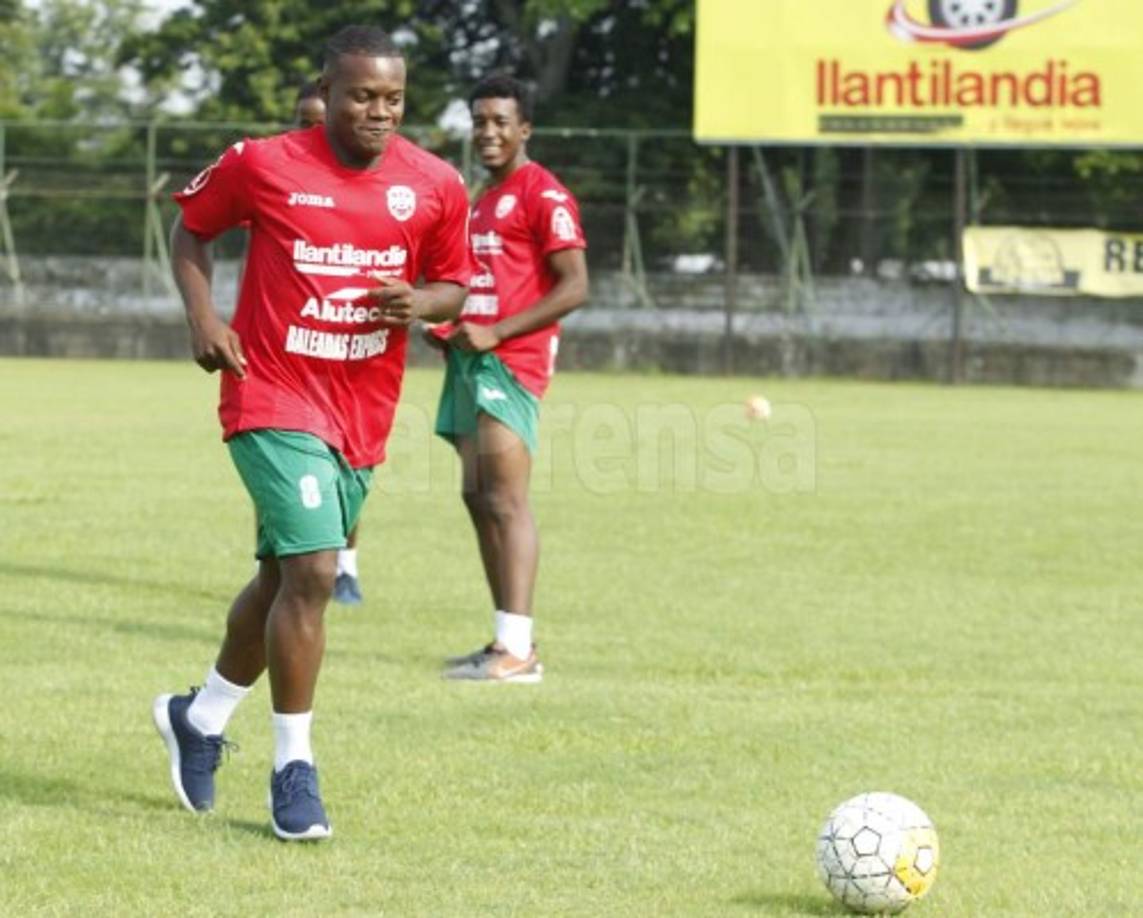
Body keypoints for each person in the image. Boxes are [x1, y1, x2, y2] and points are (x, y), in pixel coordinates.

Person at [153, 24, 472, 841]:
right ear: (326, 94)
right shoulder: (263, 163)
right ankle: (294, 769)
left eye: (392, 99)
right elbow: (191, 228)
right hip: (269, 392)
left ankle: (202, 714)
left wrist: (419, 303)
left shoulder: (434, 182)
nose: (378, 112)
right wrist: (203, 319)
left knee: (279, 582)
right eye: (361, 96)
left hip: (360, 409)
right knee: (315, 573)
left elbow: (454, 287)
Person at [433, 74, 588, 683]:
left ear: (525, 129)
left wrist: (498, 333)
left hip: (510, 363)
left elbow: (576, 286)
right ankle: (504, 640)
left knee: (506, 497)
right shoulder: (480, 198)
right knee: (477, 497)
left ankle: (521, 652)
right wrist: (450, 327)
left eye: (501, 121)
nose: (488, 132)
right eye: (479, 121)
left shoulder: (543, 194)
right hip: (469, 360)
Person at [289, 78, 364, 607]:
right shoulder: (276, 177)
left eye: (322, 121)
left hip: (351, 361)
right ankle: (279, 561)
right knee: (286, 472)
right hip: (285, 358)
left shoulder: (363, 187)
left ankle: (347, 567)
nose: (315, 132)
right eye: (305, 122)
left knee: (344, 470)